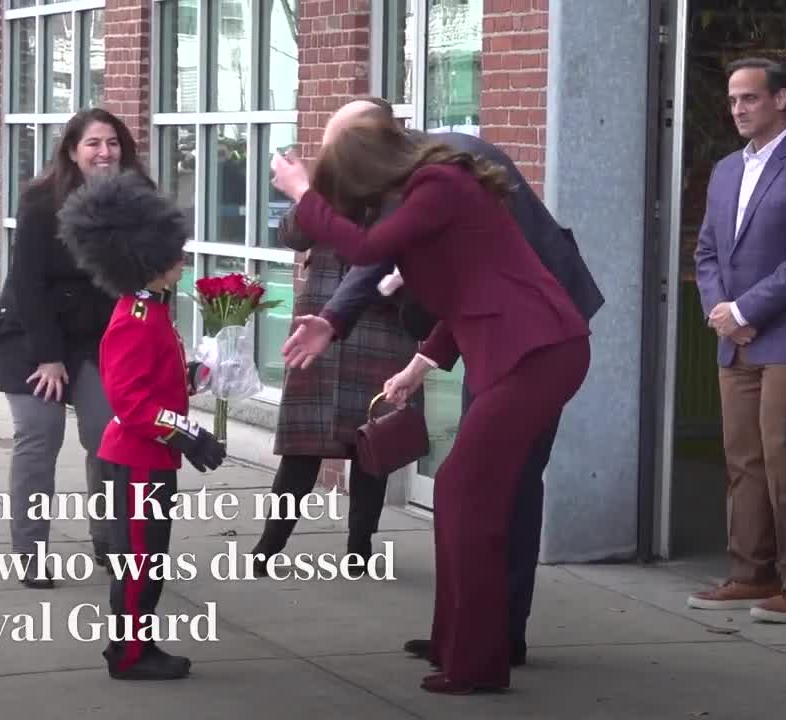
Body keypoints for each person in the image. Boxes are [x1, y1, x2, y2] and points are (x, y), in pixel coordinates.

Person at [270, 119, 591, 694]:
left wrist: (301, 191)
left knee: (467, 493)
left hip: (539, 352)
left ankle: (479, 662)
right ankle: (459, 644)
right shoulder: (431, 192)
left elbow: (368, 249)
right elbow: (466, 291)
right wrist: (416, 364)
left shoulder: (439, 183)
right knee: (466, 497)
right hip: (517, 351)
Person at [687, 57, 786, 623]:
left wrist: (746, 309)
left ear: (782, 100)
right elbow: (707, 252)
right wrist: (721, 311)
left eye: (749, 98)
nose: (737, 109)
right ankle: (749, 573)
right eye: (732, 100)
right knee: (743, 461)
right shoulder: (727, 169)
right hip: (735, 339)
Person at [56, 169, 227, 681]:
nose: (180, 260)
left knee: (148, 562)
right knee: (139, 564)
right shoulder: (134, 317)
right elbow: (131, 403)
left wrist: (195, 374)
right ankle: (130, 654)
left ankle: (136, 646)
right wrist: (188, 434)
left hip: (147, 460)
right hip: (134, 462)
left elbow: (155, 384)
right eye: (173, 254)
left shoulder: (149, 311)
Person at [246, 107, 423, 573]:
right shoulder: (333, 180)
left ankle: (360, 549)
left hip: (381, 327)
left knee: (372, 443)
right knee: (301, 447)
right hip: (319, 325)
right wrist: (320, 185)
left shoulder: (404, 185)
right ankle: (268, 547)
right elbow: (292, 234)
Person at [0, 108, 137, 588]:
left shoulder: (137, 202)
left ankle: (111, 540)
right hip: (32, 336)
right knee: (40, 434)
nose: (104, 152)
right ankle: (30, 554)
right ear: (73, 151)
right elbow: (28, 285)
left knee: (108, 436)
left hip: (97, 338)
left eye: (112, 142)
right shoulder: (39, 202)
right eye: (93, 143)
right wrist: (49, 356)